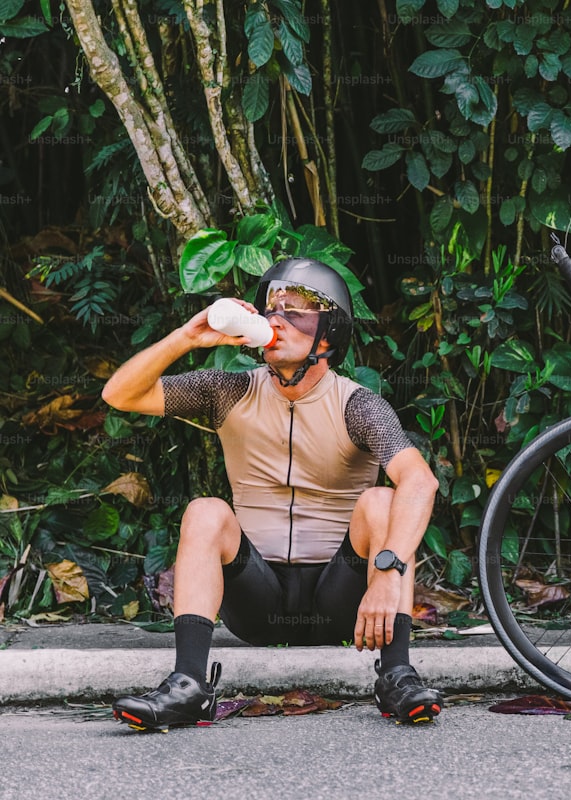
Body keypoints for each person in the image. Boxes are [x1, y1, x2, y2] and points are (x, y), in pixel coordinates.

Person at [102, 257, 443, 731]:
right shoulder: (227, 391)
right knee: (206, 510)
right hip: (256, 600)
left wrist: (387, 574)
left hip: (341, 599)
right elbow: (120, 395)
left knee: (382, 501)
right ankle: (189, 685)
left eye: (294, 312)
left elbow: (421, 481)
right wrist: (188, 337)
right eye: (271, 310)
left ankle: (397, 675)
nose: (276, 320)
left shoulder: (359, 406)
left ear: (327, 335)